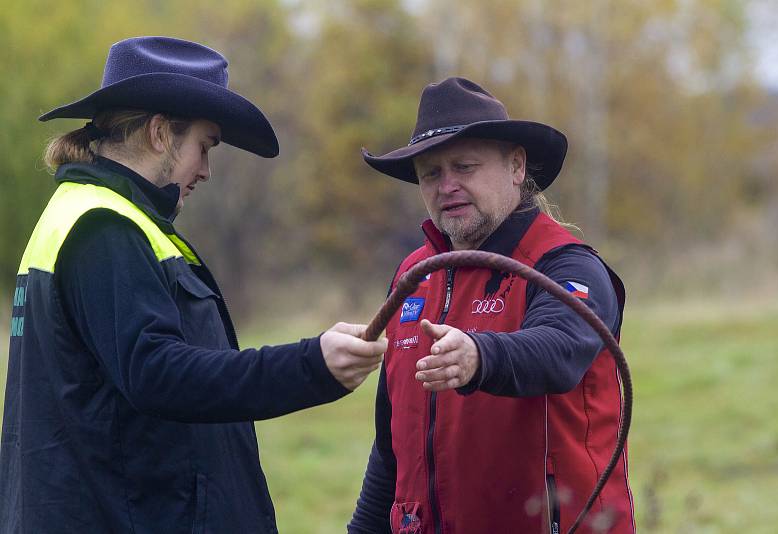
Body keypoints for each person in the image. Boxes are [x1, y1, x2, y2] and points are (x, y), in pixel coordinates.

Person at [0, 36, 387, 534]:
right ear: (161, 133)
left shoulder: (97, 216)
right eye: (204, 147)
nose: (205, 170)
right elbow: (159, 373)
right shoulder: (106, 229)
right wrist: (310, 366)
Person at [348, 77, 634, 533]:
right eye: (431, 174)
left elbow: (559, 350)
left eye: (464, 166)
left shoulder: (567, 266)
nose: (447, 186)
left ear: (516, 166)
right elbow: (392, 444)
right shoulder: (412, 276)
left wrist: (480, 356)